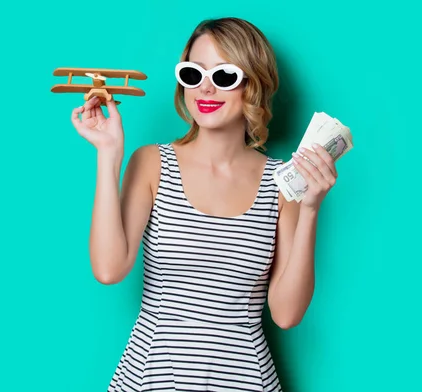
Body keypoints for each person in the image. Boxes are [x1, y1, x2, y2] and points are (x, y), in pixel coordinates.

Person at [70, 16, 339, 392]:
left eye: (224, 76)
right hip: (153, 379)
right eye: (193, 74)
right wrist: (108, 154)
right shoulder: (151, 163)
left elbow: (287, 313)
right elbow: (109, 269)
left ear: (253, 84)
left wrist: (310, 208)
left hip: (246, 382)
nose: (205, 89)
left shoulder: (281, 183)